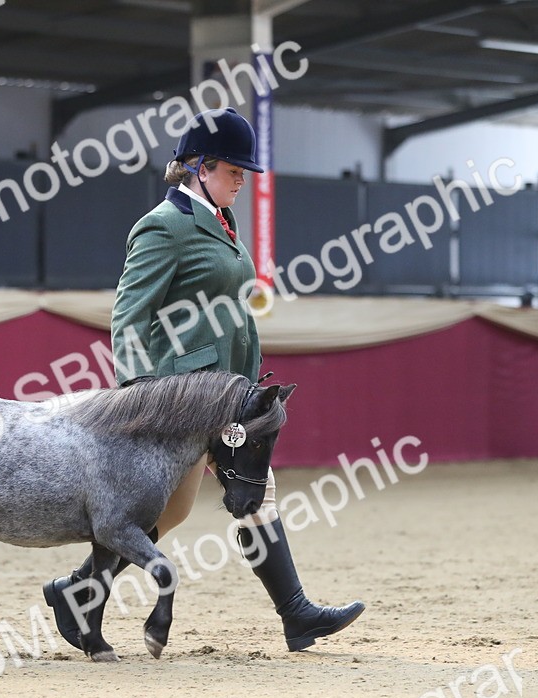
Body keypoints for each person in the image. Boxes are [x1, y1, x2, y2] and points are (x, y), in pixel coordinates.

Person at [42, 107, 364, 653]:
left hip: (224, 394)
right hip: (179, 397)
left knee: (241, 496)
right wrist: (137, 393)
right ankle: (77, 592)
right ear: (201, 166)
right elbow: (129, 315)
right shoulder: (162, 226)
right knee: (171, 509)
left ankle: (296, 615)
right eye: (235, 172)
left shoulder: (220, 223)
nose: (242, 181)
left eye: (243, 174)